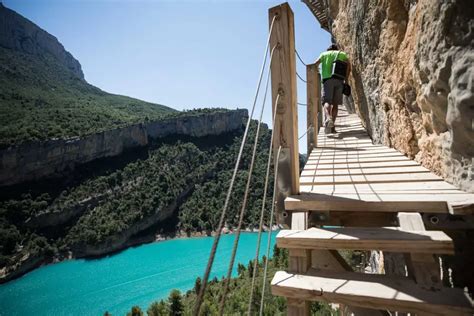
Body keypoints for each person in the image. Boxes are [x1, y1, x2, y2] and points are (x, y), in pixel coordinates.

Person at [314, 44, 351, 133]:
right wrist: (346, 79)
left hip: (327, 80)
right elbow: (348, 66)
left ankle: (328, 117)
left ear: (328, 50)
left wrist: (317, 71)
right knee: (335, 104)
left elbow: (315, 64)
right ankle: (333, 127)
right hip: (339, 79)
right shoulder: (342, 54)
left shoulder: (324, 54)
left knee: (327, 102)